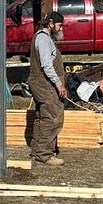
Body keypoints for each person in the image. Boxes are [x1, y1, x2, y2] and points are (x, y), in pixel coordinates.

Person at [26, 11, 67, 169]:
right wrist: (59, 84)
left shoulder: (43, 37)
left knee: (42, 117)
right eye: (59, 25)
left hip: (42, 84)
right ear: (51, 24)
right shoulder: (43, 38)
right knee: (52, 118)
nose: (61, 28)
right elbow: (47, 66)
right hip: (45, 84)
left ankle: (37, 150)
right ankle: (45, 155)